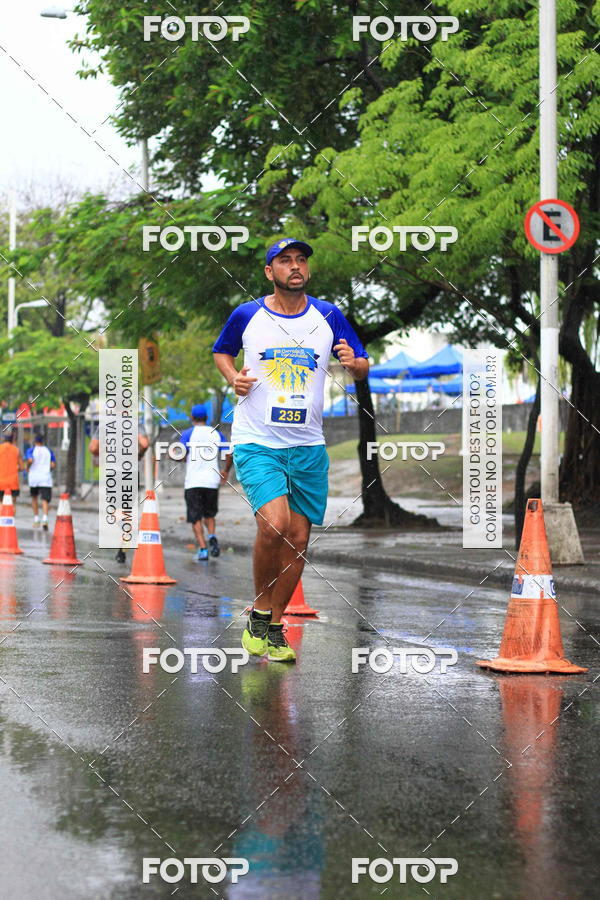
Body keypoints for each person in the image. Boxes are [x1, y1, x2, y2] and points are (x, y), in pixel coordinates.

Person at [213, 238, 369, 662]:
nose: (295, 266)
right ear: (270, 272)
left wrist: (353, 363)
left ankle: (276, 624)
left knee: (299, 539)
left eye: (301, 260)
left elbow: (361, 365)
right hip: (257, 440)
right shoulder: (247, 314)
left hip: (308, 445)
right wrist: (233, 378)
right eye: (285, 261)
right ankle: (260, 609)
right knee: (275, 524)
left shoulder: (329, 315)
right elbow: (222, 351)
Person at [180, 404, 232, 561]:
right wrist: (225, 471)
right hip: (211, 481)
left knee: (195, 517)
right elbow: (229, 454)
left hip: (193, 482)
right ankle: (212, 536)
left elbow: (180, 454)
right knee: (209, 514)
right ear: (206, 418)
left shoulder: (188, 434)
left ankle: (203, 549)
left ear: (192, 418)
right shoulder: (216, 433)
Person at [26, 433, 56, 529]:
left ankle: (36, 519)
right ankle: (45, 519)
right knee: (45, 499)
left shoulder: (31, 450)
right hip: (45, 478)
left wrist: (27, 467)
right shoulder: (48, 451)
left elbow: (30, 460)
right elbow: (53, 465)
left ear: (35, 441)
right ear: (43, 441)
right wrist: (47, 469)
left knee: (34, 498)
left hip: (34, 477)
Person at [0, 430, 24, 502]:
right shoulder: (16, 450)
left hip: (1, 482)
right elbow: (22, 467)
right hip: (13, 482)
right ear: (12, 439)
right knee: (12, 504)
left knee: (1, 503)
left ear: (4, 439)